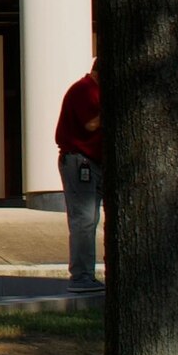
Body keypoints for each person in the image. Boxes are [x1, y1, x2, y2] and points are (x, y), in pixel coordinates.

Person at [51, 69, 106, 289]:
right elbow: (91, 124)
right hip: (79, 161)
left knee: (90, 219)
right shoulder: (84, 90)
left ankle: (87, 274)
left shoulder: (93, 90)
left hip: (93, 161)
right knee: (83, 220)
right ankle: (81, 275)